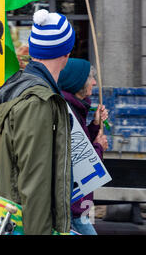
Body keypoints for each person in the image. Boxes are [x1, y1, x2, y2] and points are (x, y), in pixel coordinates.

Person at [0, 9, 74, 234]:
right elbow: (34, 184)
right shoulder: (38, 102)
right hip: (29, 226)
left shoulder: (23, 88)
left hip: (19, 222)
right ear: (66, 53)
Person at [58, 58, 109, 235]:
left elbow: (82, 142)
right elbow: (78, 160)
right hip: (74, 203)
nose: (94, 82)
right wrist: (99, 147)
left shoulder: (75, 108)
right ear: (77, 82)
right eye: (90, 77)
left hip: (79, 202)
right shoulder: (66, 111)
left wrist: (95, 124)